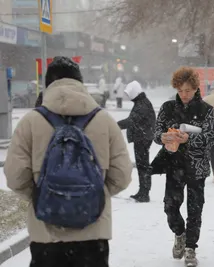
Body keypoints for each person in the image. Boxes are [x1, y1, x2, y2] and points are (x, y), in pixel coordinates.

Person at [4, 56, 133, 267]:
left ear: (48, 85)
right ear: (80, 83)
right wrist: (94, 195)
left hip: (46, 236)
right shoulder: (104, 120)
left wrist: (43, 197)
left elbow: (15, 175)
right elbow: (122, 174)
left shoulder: (31, 122)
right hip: (93, 236)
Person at [151, 66, 214, 267]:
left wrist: (189, 139)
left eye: (188, 90)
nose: (184, 94)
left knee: (195, 209)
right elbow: (157, 134)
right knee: (170, 206)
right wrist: (162, 137)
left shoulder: (207, 110)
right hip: (173, 165)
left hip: (196, 166)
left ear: (196, 88)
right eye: (180, 90)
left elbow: (211, 137)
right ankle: (179, 232)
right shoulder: (167, 108)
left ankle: (190, 248)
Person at [118, 80, 156, 203]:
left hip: (143, 138)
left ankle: (144, 193)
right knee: (142, 165)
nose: (129, 96)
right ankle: (143, 191)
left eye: (129, 94)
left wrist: (115, 125)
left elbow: (131, 121)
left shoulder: (142, 105)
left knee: (143, 166)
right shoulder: (141, 102)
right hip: (143, 137)